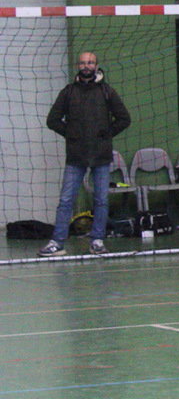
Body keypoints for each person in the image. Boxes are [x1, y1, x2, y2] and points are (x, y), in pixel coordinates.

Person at [39, 52, 132, 257]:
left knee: (101, 200)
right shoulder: (68, 92)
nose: (86, 66)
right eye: (82, 63)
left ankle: (97, 241)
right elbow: (52, 120)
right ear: (78, 66)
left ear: (96, 66)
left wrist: (107, 134)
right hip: (76, 155)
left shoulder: (107, 92)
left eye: (90, 63)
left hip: (101, 155)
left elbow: (124, 118)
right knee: (66, 200)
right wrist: (71, 134)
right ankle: (57, 242)